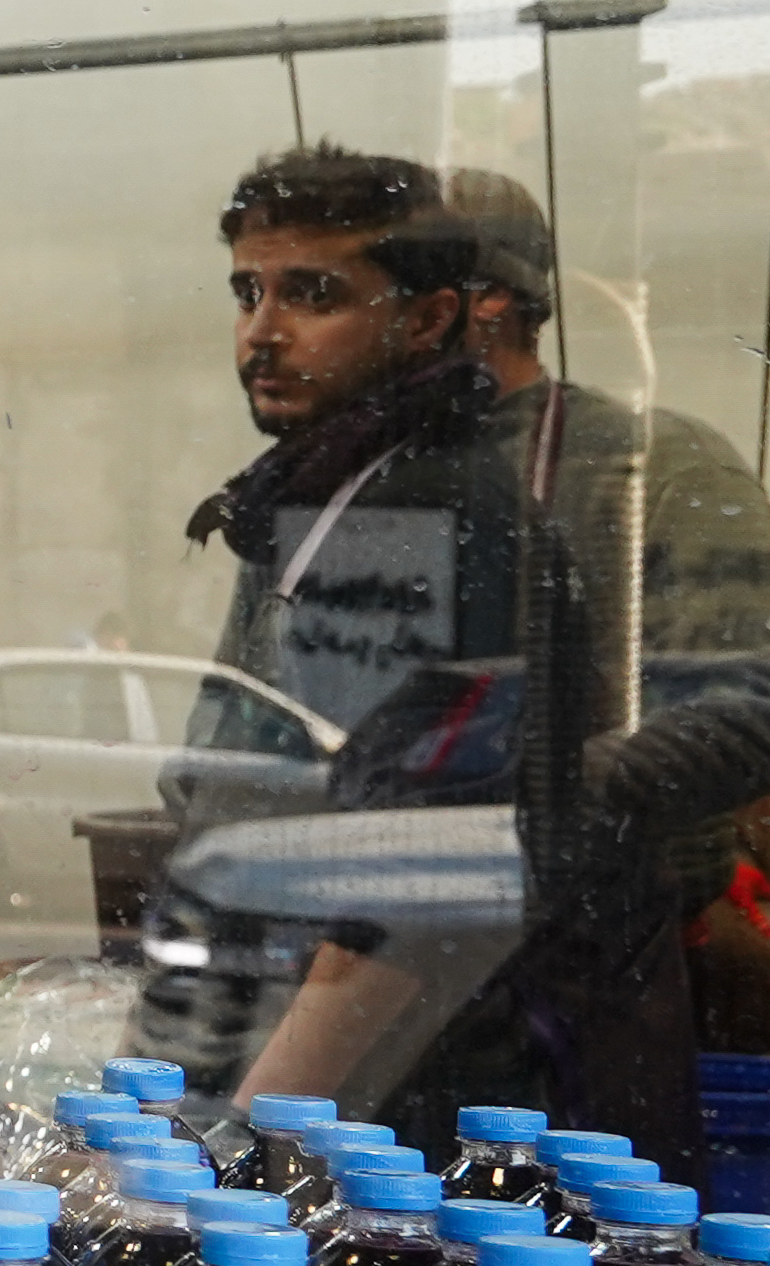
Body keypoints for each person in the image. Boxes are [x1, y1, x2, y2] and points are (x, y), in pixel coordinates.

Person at [156, 146, 770, 1139]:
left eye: (320, 289)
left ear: (474, 305)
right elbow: (251, 719)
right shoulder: (327, 485)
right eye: (253, 291)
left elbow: (743, 698)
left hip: (524, 986)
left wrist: (553, 792)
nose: (269, 329)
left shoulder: (642, 464)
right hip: (318, 988)